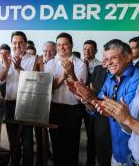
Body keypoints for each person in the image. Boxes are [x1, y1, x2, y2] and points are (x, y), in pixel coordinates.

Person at [71, 39, 139, 165]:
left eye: (113, 58)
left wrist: (92, 98)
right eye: (106, 59)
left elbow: (122, 112)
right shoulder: (110, 77)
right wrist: (86, 99)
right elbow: (99, 108)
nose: (108, 63)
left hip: (132, 153)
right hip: (116, 150)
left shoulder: (137, 78)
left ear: (128, 57)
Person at [44, 32, 87, 166]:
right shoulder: (50, 64)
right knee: (56, 145)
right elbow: (48, 87)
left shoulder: (80, 64)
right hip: (54, 108)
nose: (62, 47)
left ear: (72, 46)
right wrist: (63, 76)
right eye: (59, 45)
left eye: (65, 44)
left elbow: (80, 92)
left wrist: (71, 74)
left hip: (73, 110)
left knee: (71, 146)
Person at [0, 31, 36, 166]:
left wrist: (19, 68)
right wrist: (6, 67)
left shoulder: (33, 59)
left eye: (20, 42)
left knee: (27, 140)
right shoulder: (6, 58)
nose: (17, 45)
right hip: (10, 103)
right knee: (13, 140)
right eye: (14, 43)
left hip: (27, 104)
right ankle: (14, 162)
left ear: (25, 44)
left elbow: (32, 81)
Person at [101, 86, 139, 166]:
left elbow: (130, 121)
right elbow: (131, 130)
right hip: (132, 159)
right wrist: (117, 116)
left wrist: (128, 119)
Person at [83, 40, 102, 166]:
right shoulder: (79, 64)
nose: (87, 51)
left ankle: (90, 160)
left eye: (90, 49)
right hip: (78, 103)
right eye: (85, 49)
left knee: (91, 133)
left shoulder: (101, 66)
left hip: (92, 104)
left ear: (96, 51)